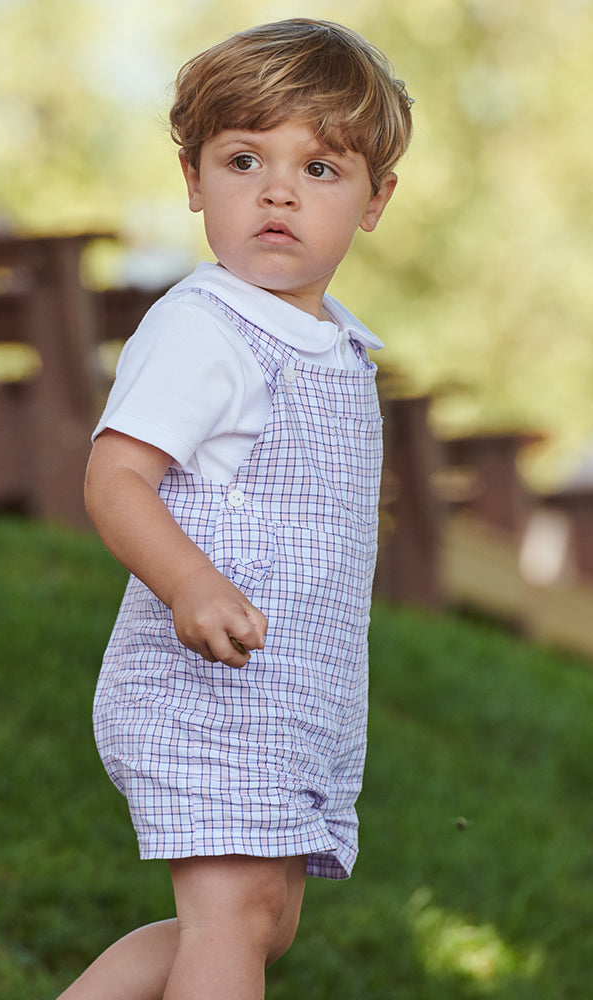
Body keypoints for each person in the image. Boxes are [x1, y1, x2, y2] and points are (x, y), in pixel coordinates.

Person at [60, 18, 412, 1000]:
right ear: (193, 179)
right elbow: (114, 477)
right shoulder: (204, 329)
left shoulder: (336, 346)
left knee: (256, 922)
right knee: (232, 917)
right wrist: (189, 582)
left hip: (290, 695)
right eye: (244, 160)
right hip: (205, 686)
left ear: (376, 200)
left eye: (320, 169)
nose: (277, 192)